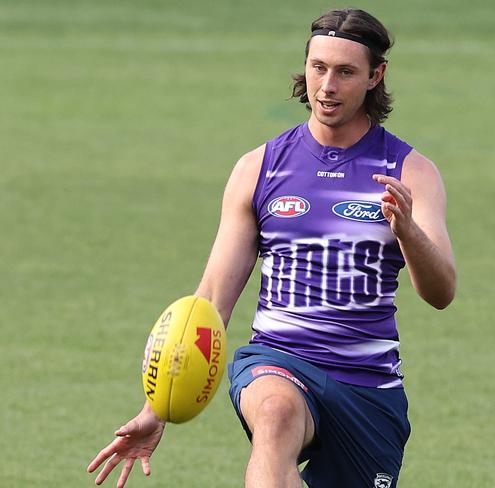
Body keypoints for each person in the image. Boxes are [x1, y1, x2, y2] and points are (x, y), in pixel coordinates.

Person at [87, 7, 455, 488]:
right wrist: (158, 408)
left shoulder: (411, 172)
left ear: (375, 76)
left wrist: (408, 231)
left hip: (367, 386)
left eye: (345, 72)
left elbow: (441, 291)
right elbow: (214, 296)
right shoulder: (259, 168)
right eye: (318, 67)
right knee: (277, 416)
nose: (327, 86)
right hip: (278, 359)